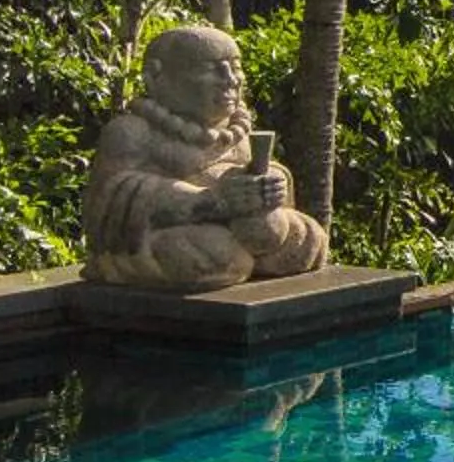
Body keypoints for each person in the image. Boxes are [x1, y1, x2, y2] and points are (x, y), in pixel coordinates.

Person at [81, 26, 329, 290]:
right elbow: (111, 197)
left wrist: (271, 183)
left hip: (241, 227)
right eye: (213, 69)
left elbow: (254, 172)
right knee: (219, 254)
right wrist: (208, 201)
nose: (231, 79)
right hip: (175, 234)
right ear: (156, 77)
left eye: (236, 67)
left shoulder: (235, 128)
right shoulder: (132, 131)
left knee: (308, 239)